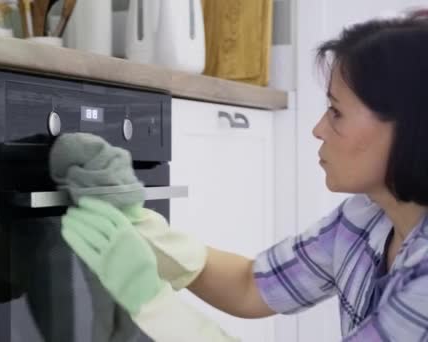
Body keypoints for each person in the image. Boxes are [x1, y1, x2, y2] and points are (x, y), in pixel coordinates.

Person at [60, 10, 428, 342]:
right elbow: (250, 285)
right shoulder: (365, 217)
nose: (318, 129)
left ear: (409, 127)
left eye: (335, 112)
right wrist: (141, 226)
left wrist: (151, 301)